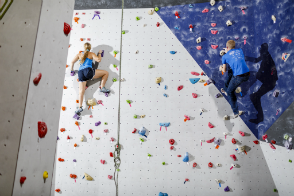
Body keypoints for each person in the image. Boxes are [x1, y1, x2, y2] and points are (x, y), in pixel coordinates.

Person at [70, 42, 110, 115]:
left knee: (81, 91)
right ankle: (102, 87)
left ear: (84, 47)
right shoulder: (91, 54)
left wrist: (72, 71)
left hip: (80, 73)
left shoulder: (79, 54)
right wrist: (100, 53)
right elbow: (98, 60)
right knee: (106, 73)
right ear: (90, 47)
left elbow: (72, 62)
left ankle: (80, 107)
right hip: (88, 71)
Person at [219, 40, 250, 118]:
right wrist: (228, 52)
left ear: (226, 47)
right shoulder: (240, 50)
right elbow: (234, 56)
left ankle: (235, 112)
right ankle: (225, 89)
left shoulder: (225, 56)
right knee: (230, 71)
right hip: (247, 74)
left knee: (230, 92)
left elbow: (224, 70)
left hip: (239, 77)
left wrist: (221, 68)